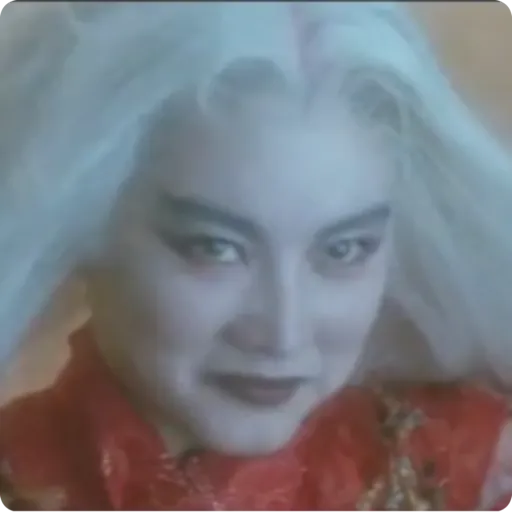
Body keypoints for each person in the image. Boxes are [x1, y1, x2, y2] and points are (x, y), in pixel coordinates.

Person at [0, 2, 511, 511]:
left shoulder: (474, 471)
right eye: (215, 248)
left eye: (343, 250)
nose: (284, 334)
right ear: (87, 226)